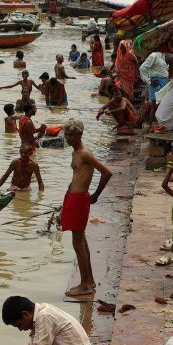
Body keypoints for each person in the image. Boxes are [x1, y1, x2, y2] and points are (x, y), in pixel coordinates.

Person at [62, 119, 112, 297]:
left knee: (77, 242)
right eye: (66, 134)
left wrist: (96, 194)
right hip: (73, 198)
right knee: (80, 239)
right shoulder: (75, 152)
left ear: (79, 135)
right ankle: (89, 280)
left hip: (80, 199)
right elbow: (76, 176)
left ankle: (84, 285)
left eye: (71, 135)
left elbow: (107, 172)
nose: (68, 138)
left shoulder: (84, 153)